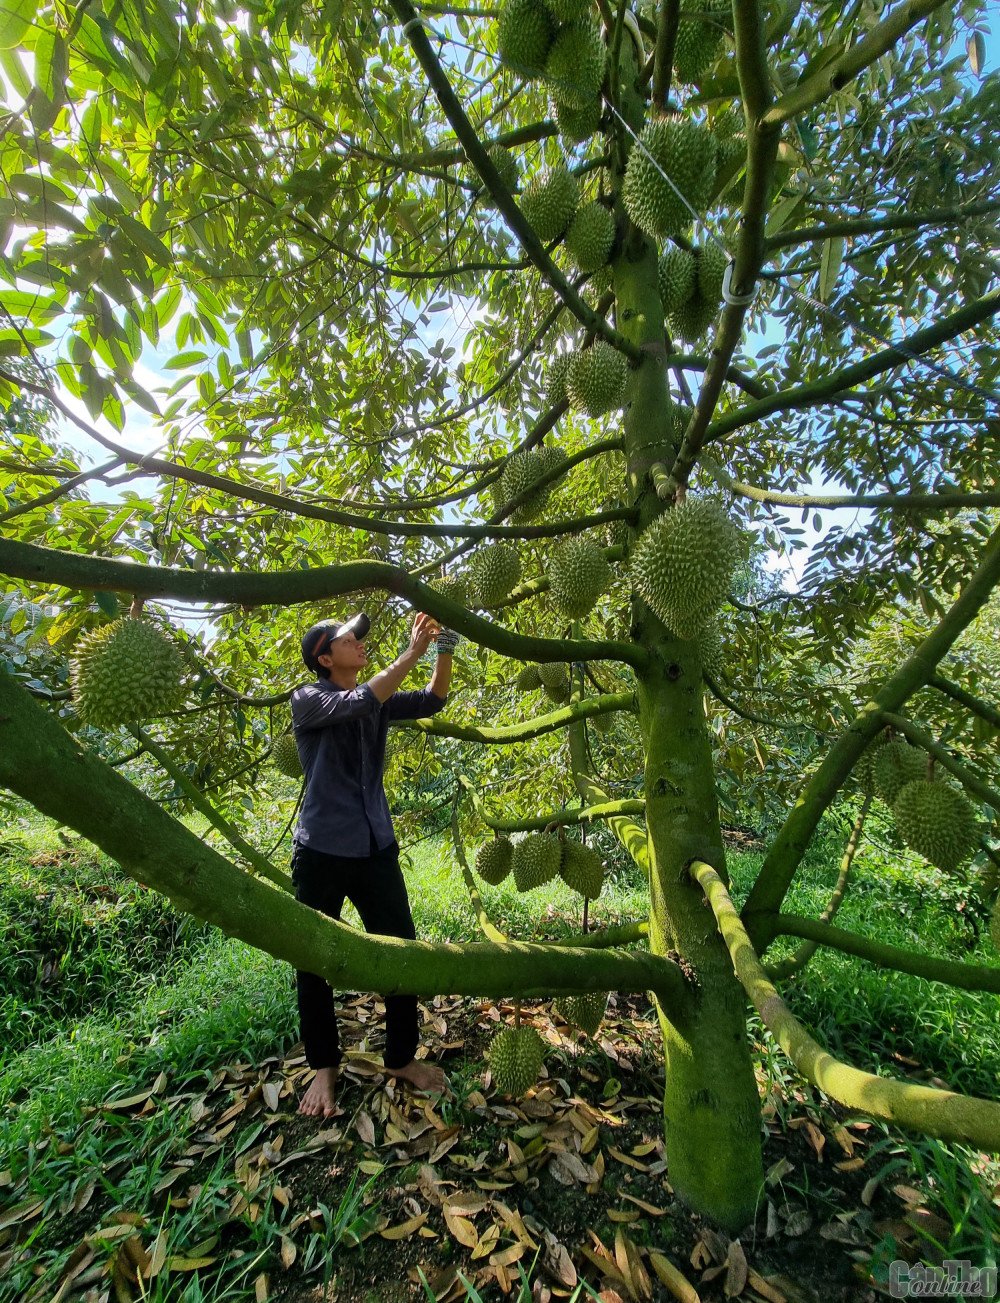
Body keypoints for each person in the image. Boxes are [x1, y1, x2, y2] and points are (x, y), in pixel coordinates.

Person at [290, 609, 456, 1117]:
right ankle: (324, 1065)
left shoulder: (376, 700)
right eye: (348, 640)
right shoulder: (307, 699)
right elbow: (361, 700)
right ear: (324, 657)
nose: (361, 644)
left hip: (374, 847)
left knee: (401, 949)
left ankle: (401, 1058)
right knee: (313, 960)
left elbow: (432, 700)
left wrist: (442, 647)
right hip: (321, 849)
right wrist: (412, 652)